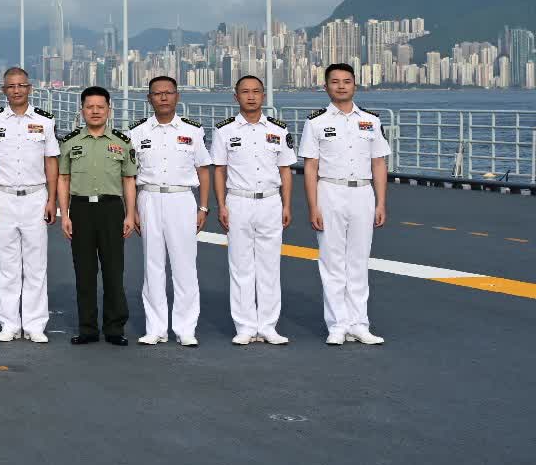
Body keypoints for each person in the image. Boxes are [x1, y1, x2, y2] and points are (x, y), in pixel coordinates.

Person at [301, 63, 391, 346]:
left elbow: (379, 163)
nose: (341, 86)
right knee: (332, 262)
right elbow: (310, 167)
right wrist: (313, 206)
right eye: (335, 81)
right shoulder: (316, 122)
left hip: (363, 192)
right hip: (330, 191)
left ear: (355, 85)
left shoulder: (371, 121)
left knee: (359, 262)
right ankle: (338, 325)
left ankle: (359, 324)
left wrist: (381, 202)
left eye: (347, 81)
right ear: (326, 86)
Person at [129, 75, 211, 347]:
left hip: (181, 199)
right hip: (149, 198)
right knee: (152, 265)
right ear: (149, 98)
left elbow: (203, 170)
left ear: (177, 96)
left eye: (168, 92)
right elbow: (129, 174)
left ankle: (186, 328)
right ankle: (155, 328)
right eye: (157, 93)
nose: (163, 97)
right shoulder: (137, 132)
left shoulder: (193, 131)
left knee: (185, 266)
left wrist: (203, 207)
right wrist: (132, 210)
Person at [211, 76, 294, 346]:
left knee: (270, 267)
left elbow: (285, 170)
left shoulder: (279, 129)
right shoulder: (224, 130)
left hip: (270, 201)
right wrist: (221, 205)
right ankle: (245, 326)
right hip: (238, 201)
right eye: (245, 92)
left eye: (256, 91)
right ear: (235, 97)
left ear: (263, 96)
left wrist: (286, 204)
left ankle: (268, 326)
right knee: (240, 267)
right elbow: (219, 170)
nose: (251, 96)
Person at [0, 68, 59, 343]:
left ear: (30, 88)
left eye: (21, 85)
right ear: (4, 90)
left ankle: (35, 324)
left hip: (36, 196)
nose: (16, 90)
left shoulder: (45, 121)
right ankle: (9, 323)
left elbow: (51, 161)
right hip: (3, 196)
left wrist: (52, 200)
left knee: (36, 264)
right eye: (11, 86)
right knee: (7, 264)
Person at [58, 86, 138, 346]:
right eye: (89, 107)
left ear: (108, 110)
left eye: (100, 107)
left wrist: (130, 214)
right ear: (82, 110)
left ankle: (115, 328)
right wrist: (64, 214)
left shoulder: (122, 142)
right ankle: (88, 328)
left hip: (111, 209)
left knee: (114, 270)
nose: (95, 111)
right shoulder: (70, 142)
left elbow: (129, 180)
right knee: (84, 271)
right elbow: (63, 179)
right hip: (81, 209)